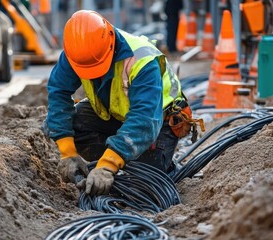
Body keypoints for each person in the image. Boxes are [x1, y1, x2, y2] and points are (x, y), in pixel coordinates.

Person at [43, 10, 196, 196]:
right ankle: (121, 159)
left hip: (158, 122)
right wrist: (68, 152)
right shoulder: (76, 52)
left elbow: (145, 119)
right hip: (117, 115)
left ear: (110, 43)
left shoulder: (141, 60)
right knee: (63, 122)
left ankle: (147, 166)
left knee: (144, 184)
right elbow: (59, 93)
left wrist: (108, 165)